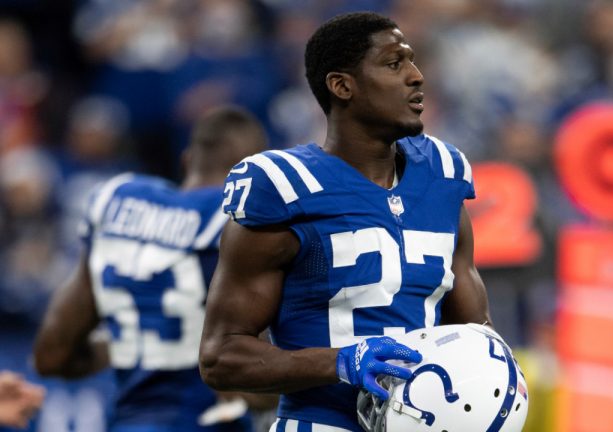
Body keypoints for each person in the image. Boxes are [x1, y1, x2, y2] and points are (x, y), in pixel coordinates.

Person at [199, 11, 495, 432]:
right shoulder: (284, 188)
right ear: (342, 86)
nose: (416, 76)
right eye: (394, 63)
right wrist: (340, 362)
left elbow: (474, 331)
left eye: (411, 60)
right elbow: (220, 357)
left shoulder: (444, 174)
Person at [33, 105, 268, 431]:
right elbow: (261, 381)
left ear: (187, 160)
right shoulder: (238, 219)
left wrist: (126, 343)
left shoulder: (118, 199)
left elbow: (52, 355)